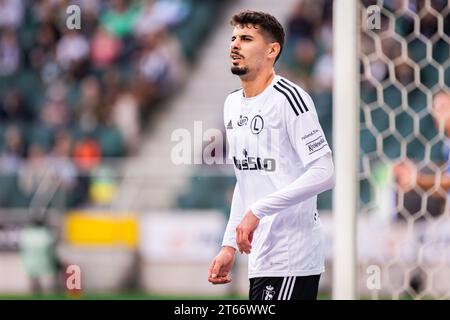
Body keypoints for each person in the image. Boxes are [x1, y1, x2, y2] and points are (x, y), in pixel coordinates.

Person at [207, 10, 335, 300]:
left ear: (272, 50)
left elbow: (325, 171)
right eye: (234, 38)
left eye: (246, 38)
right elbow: (247, 178)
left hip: (292, 255)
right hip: (261, 257)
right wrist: (229, 244)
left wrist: (258, 210)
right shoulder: (232, 104)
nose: (235, 45)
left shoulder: (290, 98)